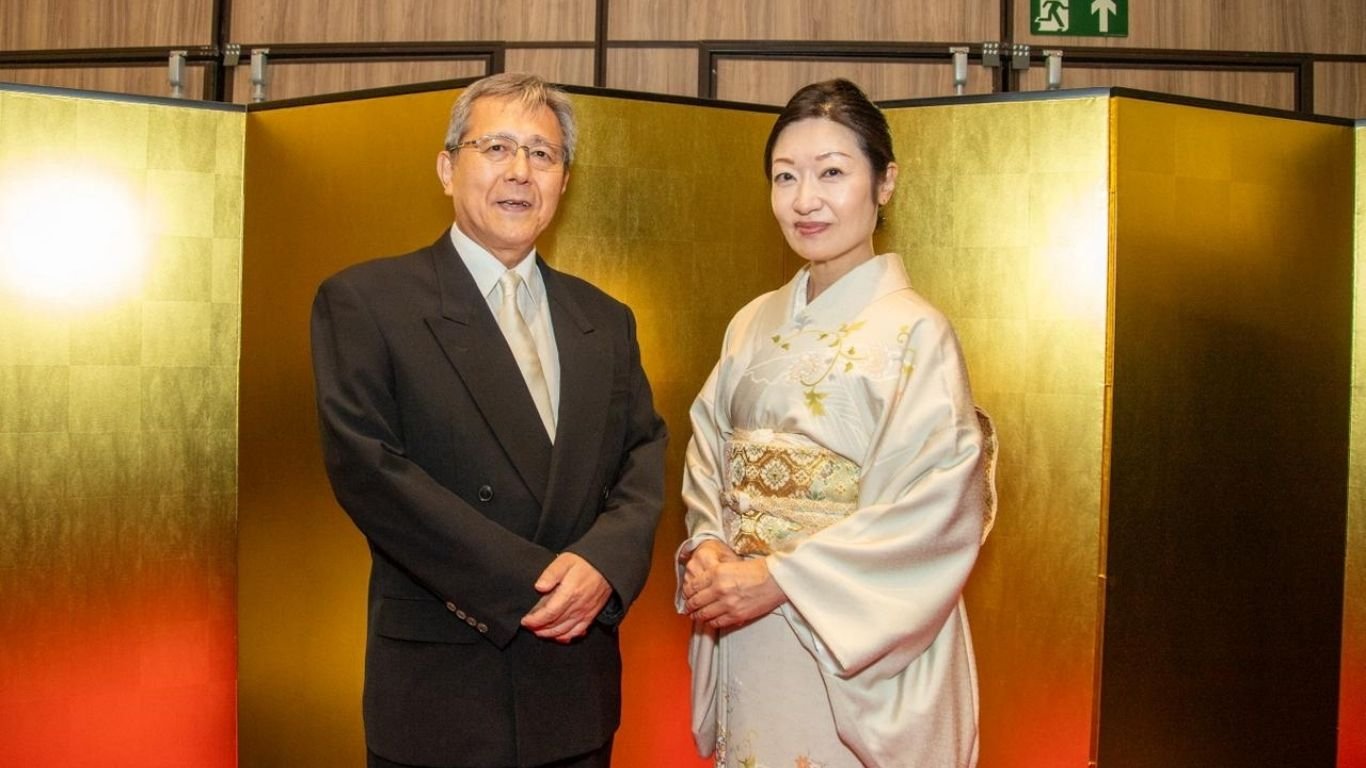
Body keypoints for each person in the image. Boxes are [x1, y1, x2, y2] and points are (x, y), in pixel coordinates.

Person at [311, 72, 668, 768]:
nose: (520, 172)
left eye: (542, 154)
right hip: (444, 688)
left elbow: (642, 455)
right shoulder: (368, 301)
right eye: (496, 147)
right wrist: (539, 586)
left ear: (564, 181)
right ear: (447, 169)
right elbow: (370, 471)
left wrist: (604, 563)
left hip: (574, 688)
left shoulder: (604, 319)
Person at [677, 79, 997, 768]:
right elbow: (708, 453)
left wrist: (781, 580)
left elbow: (934, 508)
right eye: (785, 176)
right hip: (747, 619)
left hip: (843, 631)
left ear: (885, 182)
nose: (804, 200)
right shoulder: (751, 321)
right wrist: (708, 544)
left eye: (831, 173)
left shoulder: (917, 332)